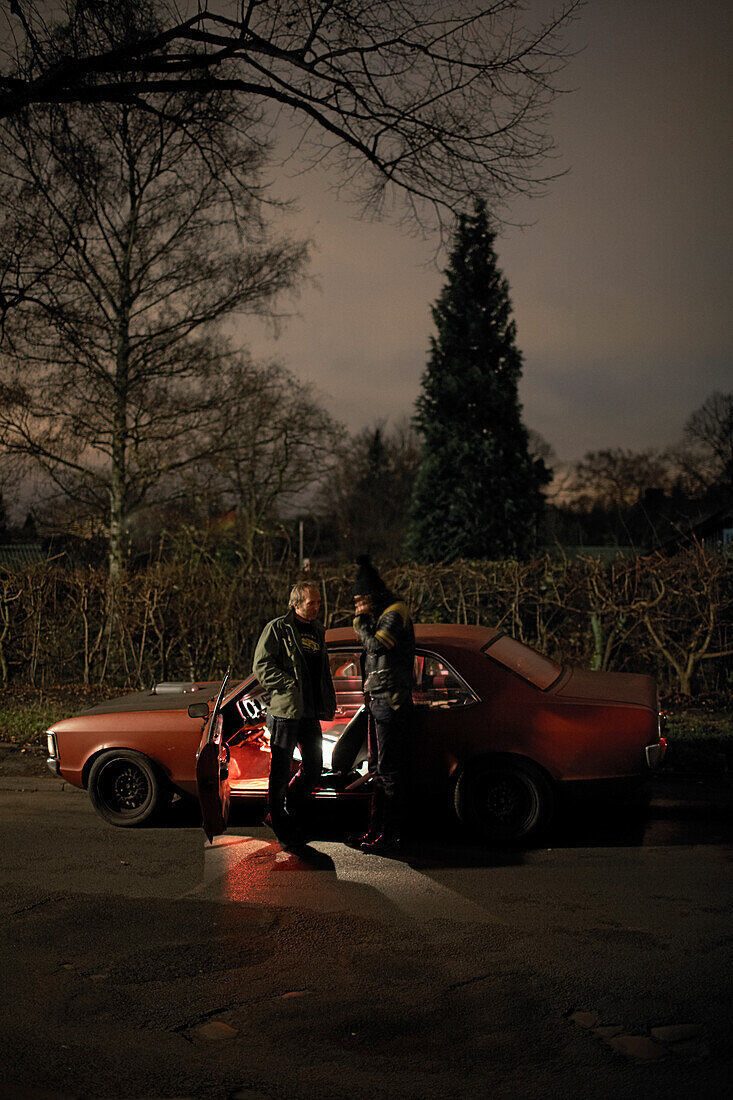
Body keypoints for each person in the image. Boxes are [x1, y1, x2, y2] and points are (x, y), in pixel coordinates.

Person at [252, 581, 336, 851]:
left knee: (314, 767)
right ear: (295, 604)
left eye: (319, 602)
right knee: (279, 771)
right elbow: (262, 666)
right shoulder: (278, 628)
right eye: (312, 603)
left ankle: (287, 809)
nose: (317, 607)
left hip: (309, 712)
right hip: (286, 712)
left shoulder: (317, 630)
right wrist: (289, 684)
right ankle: (281, 825)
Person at [350, 555, 415, 854]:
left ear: (373, 596)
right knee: (377, 769)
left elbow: (378, 645)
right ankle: (375, 832)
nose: (358, 606)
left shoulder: (395, 612)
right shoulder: (383, 614)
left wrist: (361, 622)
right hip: (379, 702)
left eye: (361, 600)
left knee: (388, 772)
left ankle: (391, 836)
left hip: (391, 702)